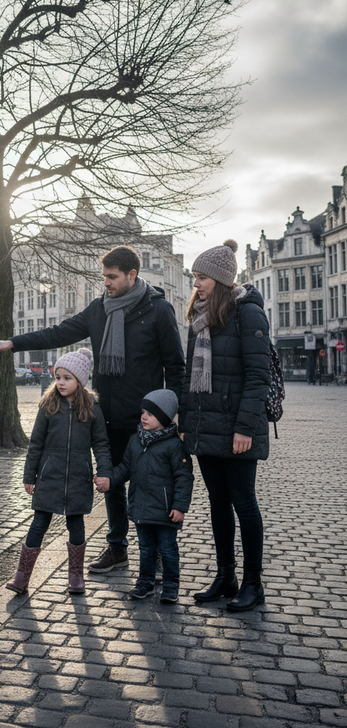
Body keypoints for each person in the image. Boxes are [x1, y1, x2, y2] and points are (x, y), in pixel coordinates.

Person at [0, 246, 185, 575]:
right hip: (108, 416)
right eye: (103, 276)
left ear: (132, 275)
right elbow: (58, 332)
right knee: (113, 485)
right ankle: (117, 548)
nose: (106, 282)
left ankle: (159, 552)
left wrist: (175, 415)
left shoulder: (158, 310)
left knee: (151, 485)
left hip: (148, 420)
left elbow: (176, 367)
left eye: (112, 277)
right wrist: (13, 343)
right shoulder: (98, 310)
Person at [178, 239, 270, 612]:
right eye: (195, 277)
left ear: (220, 278)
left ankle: (253, 582)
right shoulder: (199, 316)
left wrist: (245, 428)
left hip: (237, 427)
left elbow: (257, 376)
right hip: (204, 425)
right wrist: (185, 421)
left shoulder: (248, 313)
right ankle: (225, 575)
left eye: (202, 277)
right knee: (218, 503)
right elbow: (189, 376)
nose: (196, 284)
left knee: (243, 503)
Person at [6, 349, 112, 596]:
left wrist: (104, 471)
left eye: (67, 378)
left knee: (76, 525)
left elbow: (101, 444)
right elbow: (36, 443)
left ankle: (76, 576)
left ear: (80, 380)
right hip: (48, 476)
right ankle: (21, 576)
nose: (61, 383)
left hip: (78, 477)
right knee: (39, 523)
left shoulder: (93, 407)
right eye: (58, 377)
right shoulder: (49, 404)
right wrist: (29, 475)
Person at [95, 389, 193, 603]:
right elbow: (125, 468)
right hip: (141, 509)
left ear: (165, 418)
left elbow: (184, 477)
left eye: (151, 413)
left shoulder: (175, 445)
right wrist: (110, 480)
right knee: (146, 549)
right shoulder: (135, 441)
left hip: (166, 512)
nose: (144, 417)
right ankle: (144, 583)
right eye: (143, 412)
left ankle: (170, 587)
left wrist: (180, 506)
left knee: (168, 550)